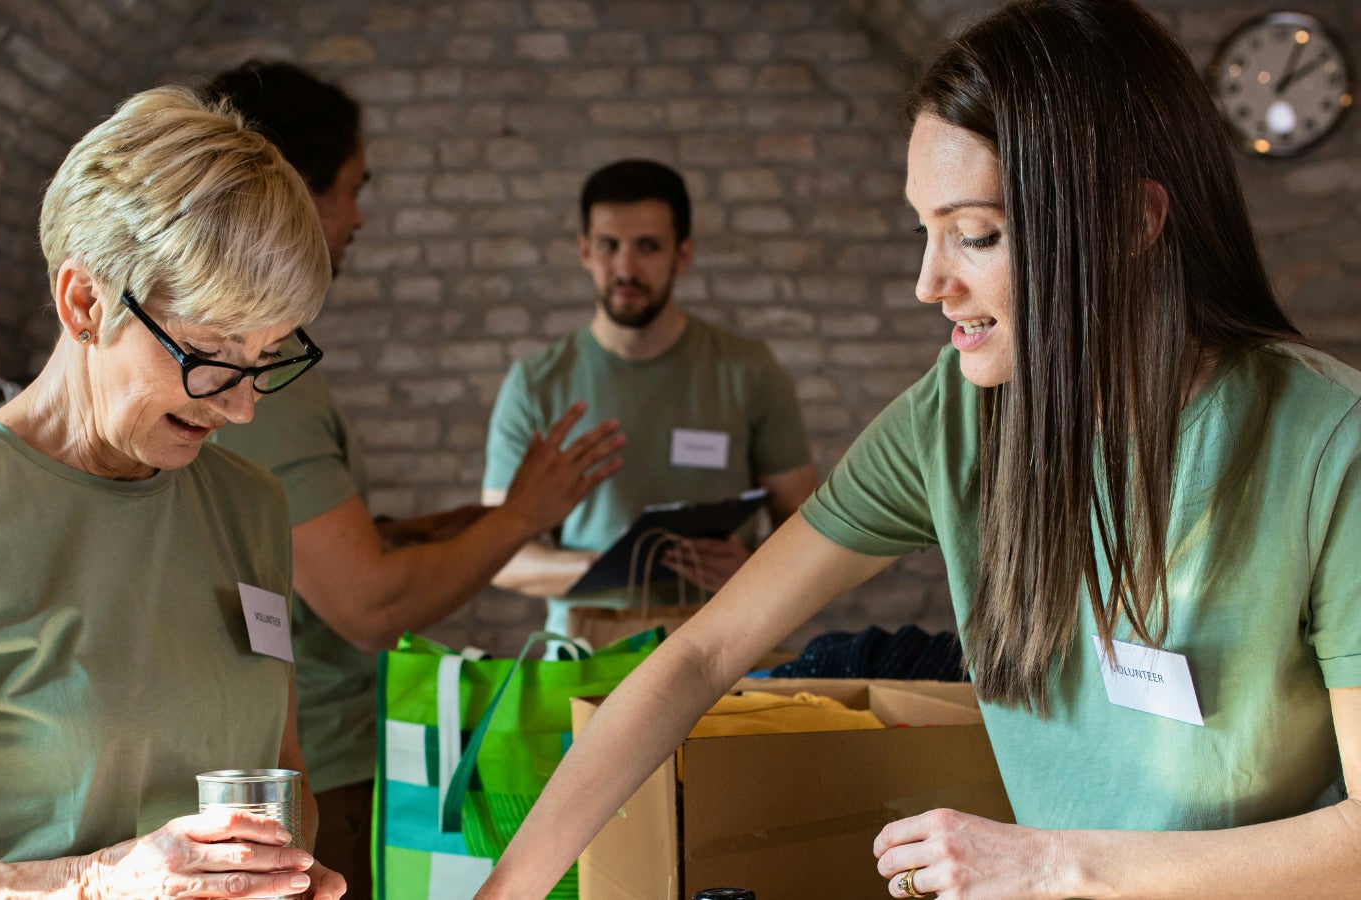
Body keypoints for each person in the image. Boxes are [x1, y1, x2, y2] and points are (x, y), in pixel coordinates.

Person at [474, 0, 1361, 896]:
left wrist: (1052, 862)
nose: (929, 282)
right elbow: (701, 658)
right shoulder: (956, 418)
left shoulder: (1329, 443)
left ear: (1132, 224)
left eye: (975, 235)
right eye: (923, 231)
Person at [204, 61, 625, 896]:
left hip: (319, 755)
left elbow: (297, 548)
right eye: (352, 189)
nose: (358, 218)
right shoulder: (258, 370)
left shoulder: (267, 366)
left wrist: (442, 525)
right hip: (322, 764)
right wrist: (516, 517)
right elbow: (369, 604)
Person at [0, 86, 345, 897]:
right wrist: (92, 881)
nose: (243, 404)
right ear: (85, 302)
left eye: (266, 359)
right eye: (212, 354)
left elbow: (283, 774)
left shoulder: (251, 505)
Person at [482, 159, 818, 638]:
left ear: (682, 254)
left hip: (728, 647)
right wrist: (618, 565)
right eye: (608, 246)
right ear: (583, 250)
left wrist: (754, 569)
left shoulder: (750, 371)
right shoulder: (535, 384)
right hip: (585, 654)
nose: (625, 268)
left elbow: (806, 528)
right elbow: (500, 557)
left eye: (648, 247)